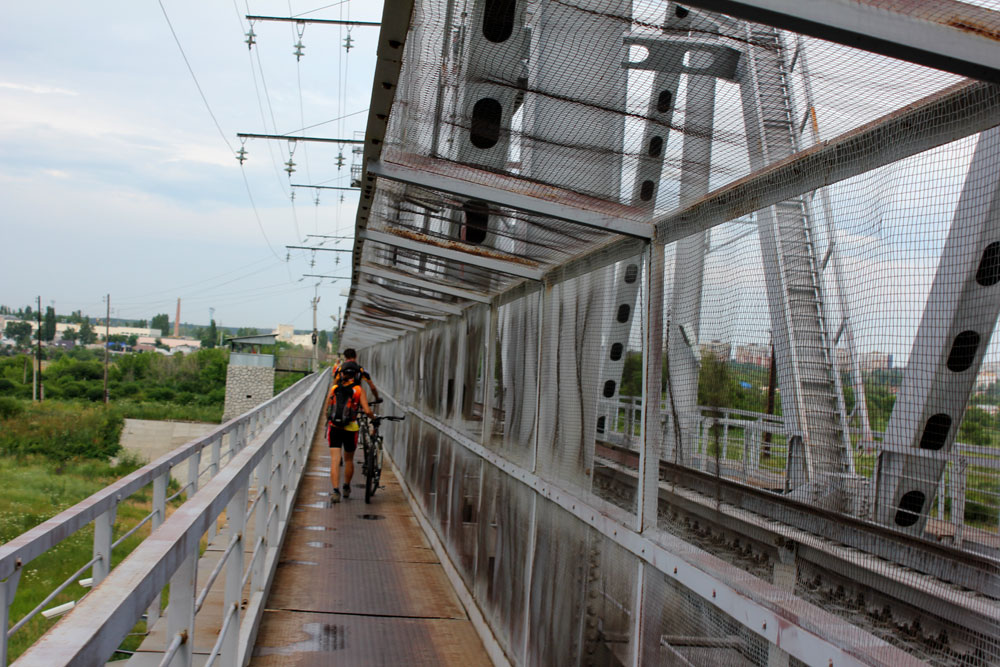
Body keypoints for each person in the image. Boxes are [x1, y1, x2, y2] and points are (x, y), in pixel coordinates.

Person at [326, 361, 374, 503]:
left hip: (334, 427)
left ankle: (336, 491)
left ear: (342, 374)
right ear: (356, 375)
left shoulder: (334, 388)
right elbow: (367, 411)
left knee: (335, 460)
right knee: (348, 460)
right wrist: (373, 418)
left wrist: (328, 421)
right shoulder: (359, 390)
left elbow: (328, 408)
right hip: (351, 428)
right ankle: (346, 487)